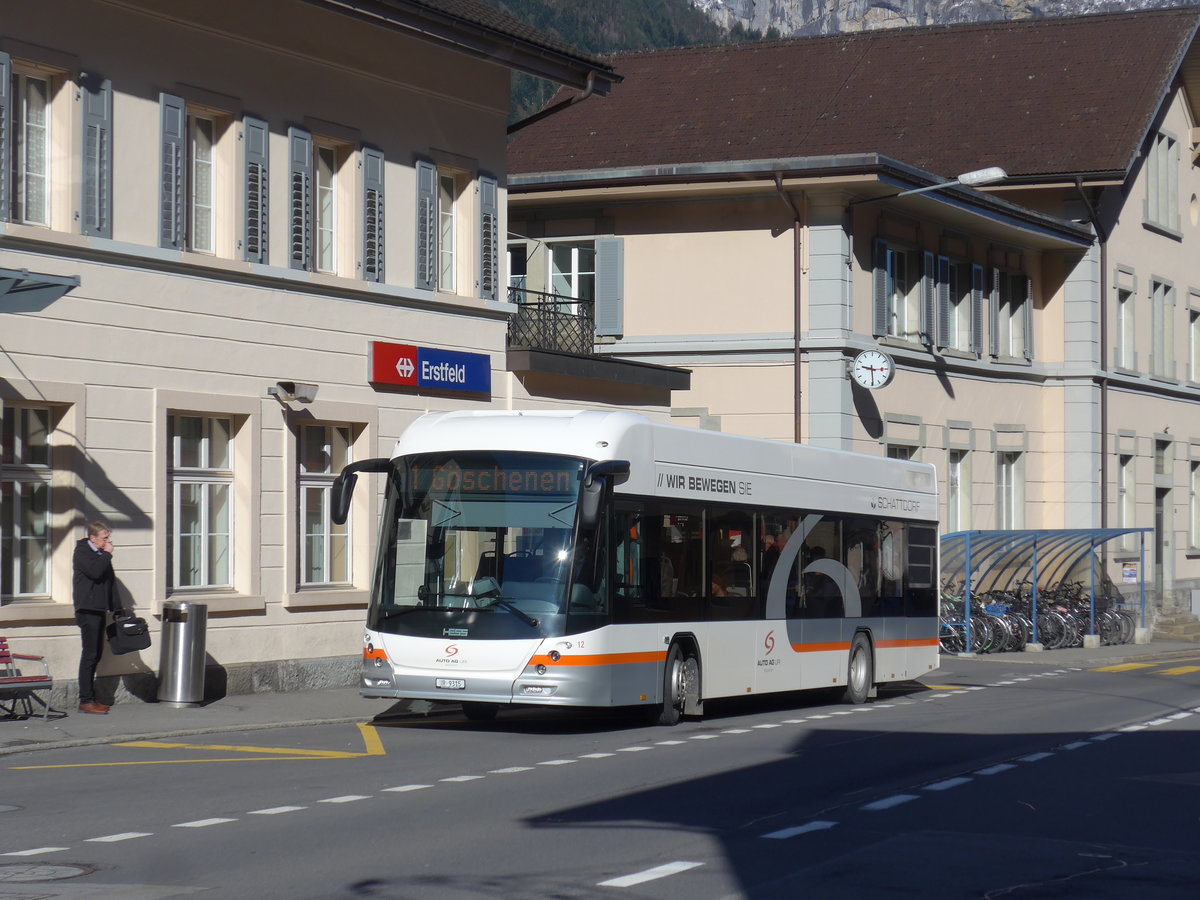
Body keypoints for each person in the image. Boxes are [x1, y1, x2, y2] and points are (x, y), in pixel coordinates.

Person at [73, 521, 116, 714]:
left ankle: (91, 698)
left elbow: (110, 582)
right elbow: (96, 573)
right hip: (87, 610)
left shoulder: (101, 555)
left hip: (99, 609)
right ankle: (86, 700)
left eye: (108, 537)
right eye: (104, 538)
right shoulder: (83, 552)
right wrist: (107, 554)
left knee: (96, 654)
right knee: (90, 654)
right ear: (92, 538)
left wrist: (118, 607)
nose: (108, 541)